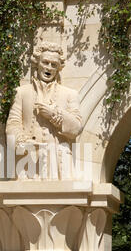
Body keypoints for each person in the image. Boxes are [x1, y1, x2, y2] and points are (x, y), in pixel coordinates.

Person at [6, 41, 82, 179]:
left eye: (54, 65)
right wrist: (22, 141)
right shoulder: (22, 92)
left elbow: (76, 128)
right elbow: (13, 124)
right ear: (37, 63)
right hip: (29, 162)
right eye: (45, 62)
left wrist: (54, 115)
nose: (49, 68)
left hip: (59, 163)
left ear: (58, 68)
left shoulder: (70, 94)